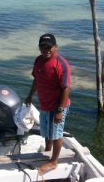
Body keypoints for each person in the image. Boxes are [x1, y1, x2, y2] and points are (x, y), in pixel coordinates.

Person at [25, 33, 71, 174]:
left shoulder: (61, 64)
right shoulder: (38, 61)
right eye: (43, 47)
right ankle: (47, 151)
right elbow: (36, 80)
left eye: (49, 47)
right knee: (46, 132)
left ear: (55, 47)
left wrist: (59, 110)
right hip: (44, 104)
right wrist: (30, 96)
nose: (46, 50)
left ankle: (53, 162)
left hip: (57, 106)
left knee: (56, 134)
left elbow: (66, 88)